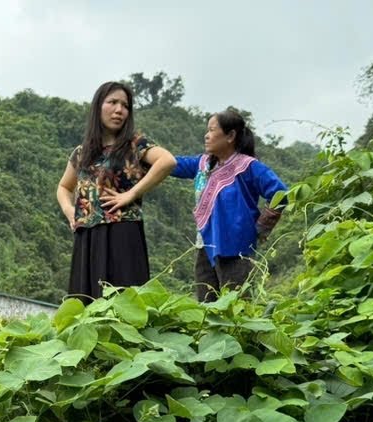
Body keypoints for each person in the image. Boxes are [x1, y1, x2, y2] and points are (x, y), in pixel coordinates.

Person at [56, 81, 176, 302]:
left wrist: (130, 194)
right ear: (98, 107)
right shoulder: (82, 153)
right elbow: (64, 187)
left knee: (124, 302)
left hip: (123, 232)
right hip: (87, 236)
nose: (119, 110)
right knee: (85, 303)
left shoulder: (135, 145)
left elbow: (166, 161)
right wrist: (69, 210)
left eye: (125, 105)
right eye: (112, 102)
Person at [171, 110, 288, 302]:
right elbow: (172, 164)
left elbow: (280, 194)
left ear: (230, 136)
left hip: (236, 248)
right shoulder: (203, 165)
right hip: (205, 246)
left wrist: (259, 229)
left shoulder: (248, 166)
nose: (206, 135)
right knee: (206, 308)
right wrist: (143, 152)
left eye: (211, 130)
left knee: (236, 307)